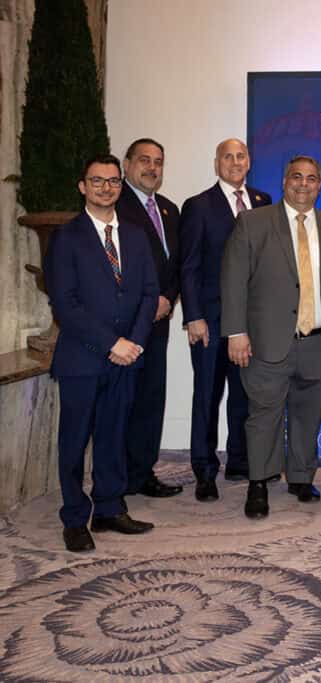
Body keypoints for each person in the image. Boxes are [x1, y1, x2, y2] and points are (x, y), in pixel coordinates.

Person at [46, 154, 159, 552]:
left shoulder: (134, 234)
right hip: (82, 359)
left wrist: (135, 342)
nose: (106, 187)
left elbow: (149, 293)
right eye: (98, 181)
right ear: (83, 186)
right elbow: (65, 303)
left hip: (127, 357)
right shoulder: (67, 237)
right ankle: (75, 518)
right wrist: (112, 344)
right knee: (74, 442)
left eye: (112, 181)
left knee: (113, 437)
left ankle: (110, 508)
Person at [221, 155, 321, 519]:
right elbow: (233, 282)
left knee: (309, 413)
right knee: (263, 416)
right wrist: (235, 333)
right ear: (284, 181)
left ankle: (302, 478)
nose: (303, 184)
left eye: (311, 178)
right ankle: (259, 483)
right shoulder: (252, 223)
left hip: (318, 342)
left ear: (320, 185)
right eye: (296, 177)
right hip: (266, 342)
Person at [179, 138, 272, 502]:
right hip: (211, 322)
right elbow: (187, 266)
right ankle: (204, 471)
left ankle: (240, 460)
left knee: (245, 395)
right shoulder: (198, 206)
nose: (235, 162)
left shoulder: (264, 202)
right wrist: (194, 316)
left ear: (249, 162)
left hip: (253, 322)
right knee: (207, 395)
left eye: (241, 156)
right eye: (227, 156)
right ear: (216, 163)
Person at [115, 138, 182, 498]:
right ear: (127, 165)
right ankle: (118, 478)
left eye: (158, 161)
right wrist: (147, 301)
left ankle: (142, 473)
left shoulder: (169, 209)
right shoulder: (114, 205)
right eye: (144, 160)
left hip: (159, 322)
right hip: (125, 323)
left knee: (151, 398)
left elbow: (177, 265)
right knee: (122, 400)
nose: (152, 168)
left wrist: (168, 298)